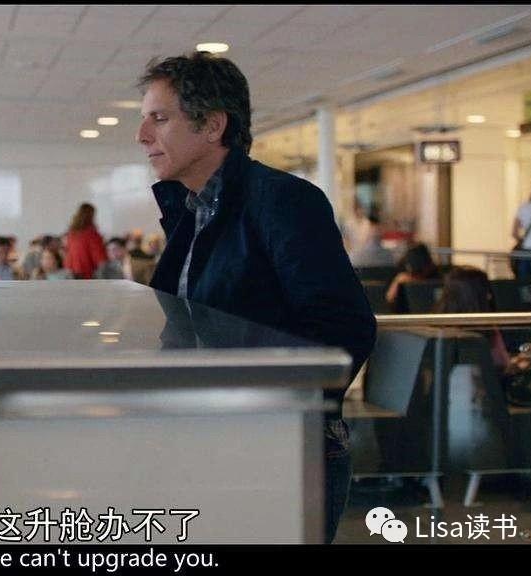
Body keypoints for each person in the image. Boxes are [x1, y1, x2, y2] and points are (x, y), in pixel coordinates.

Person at [135, 51, 375, 543]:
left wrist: (269, 414)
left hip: (280, 450)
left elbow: (344, 327)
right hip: (214, 441)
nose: (142, 135)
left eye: (159, 119)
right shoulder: (191, 210)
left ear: (213, 125)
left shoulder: (282, 200)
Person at [385, 242, 441, 311]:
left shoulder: (434, 274)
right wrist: (397, 281)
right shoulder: (401, 272)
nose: (418, 277)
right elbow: (390, 299)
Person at [64, 203, 108, 279]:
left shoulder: (71, 233)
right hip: (88, 272)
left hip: (73, 270)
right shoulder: (92, 234)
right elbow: (99, 256)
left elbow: (69, 253)